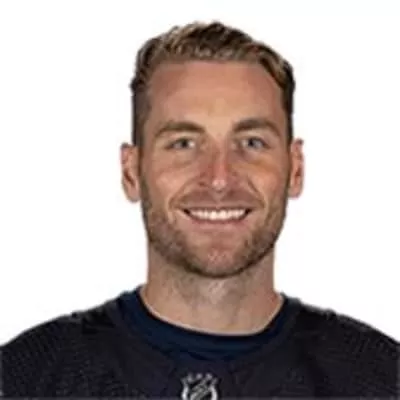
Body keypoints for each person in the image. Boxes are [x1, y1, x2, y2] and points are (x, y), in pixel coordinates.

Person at [1, 21, 398, 399]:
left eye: (252, 142)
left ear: (295, 170)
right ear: (131, 172)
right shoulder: (24, 379)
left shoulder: (381, 379)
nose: (219, 178)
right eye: (184, 144)